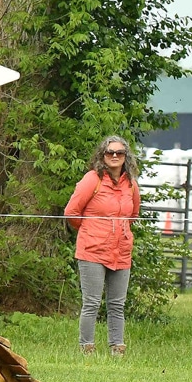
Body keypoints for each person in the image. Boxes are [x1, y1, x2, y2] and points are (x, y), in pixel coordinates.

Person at [64, 135, 141, 356]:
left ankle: (117, 347)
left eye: (119, 153)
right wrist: (90, 231)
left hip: (121, 251)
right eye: (110, 152)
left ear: (126, 156)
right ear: (102, 156)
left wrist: (121, 234)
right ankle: (86, 346)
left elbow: (133, 215)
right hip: (92, 251)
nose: (115, 156)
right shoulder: (92, 179)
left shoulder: (131, 184)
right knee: (92, 302)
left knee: (117, 304)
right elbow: (71, 212)